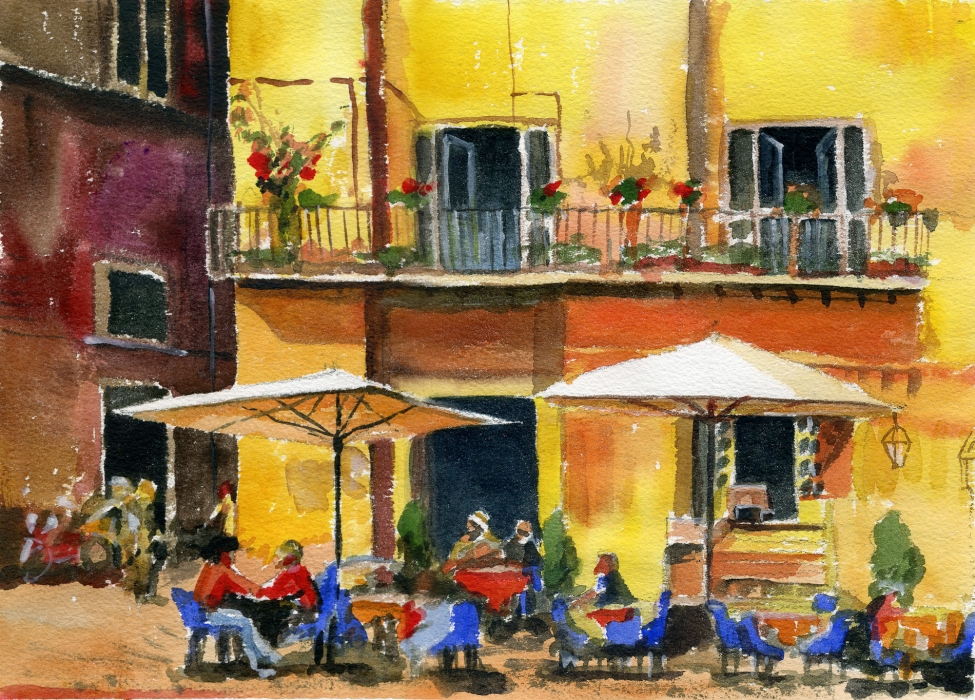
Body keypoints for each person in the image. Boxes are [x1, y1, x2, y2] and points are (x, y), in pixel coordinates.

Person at [193, 536, 280, 678]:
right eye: (233, 553)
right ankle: (257, 665)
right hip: (210, 614)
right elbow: (244, 586)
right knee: (245, 623)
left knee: (244, 619)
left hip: (202, 611)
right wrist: (265, 592)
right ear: (225, 553)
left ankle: (264, 656)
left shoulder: (211, 566)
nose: (234, 556)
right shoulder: (222, 570)